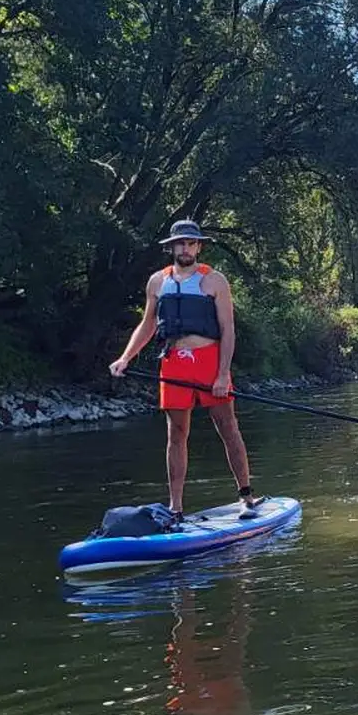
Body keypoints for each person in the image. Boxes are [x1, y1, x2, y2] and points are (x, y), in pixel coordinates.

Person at [109, 219, 259, 523]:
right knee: (176, 434)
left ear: (199, 247)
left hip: (209, 360)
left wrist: (222, 375)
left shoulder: (215, 281)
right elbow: (148, 324)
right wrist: (125, 358)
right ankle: (176, 507)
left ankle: (246, 495)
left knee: (227, 428)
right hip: (174, 362)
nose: (186, 248)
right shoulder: (157, 282)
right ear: (172, 247)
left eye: (191, 243)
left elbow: (228, 330)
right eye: (181, 243)